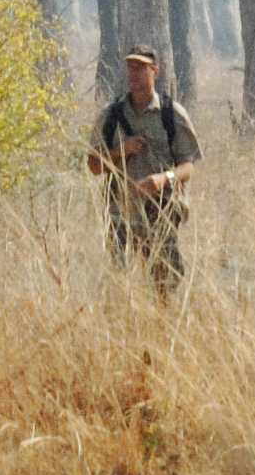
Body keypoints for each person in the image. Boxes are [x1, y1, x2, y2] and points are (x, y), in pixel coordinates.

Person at [84, 46, 201, 293]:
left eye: (141, 68)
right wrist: (119, 152)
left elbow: (188, 165)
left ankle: (162, 320)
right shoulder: (110, 115)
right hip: (121, 210)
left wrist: (164, 178)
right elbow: (93, 165)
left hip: (161, 207)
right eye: (130, 67)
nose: (134, 73)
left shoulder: (172, 114)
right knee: (119, 276)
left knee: (164, 275)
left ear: (155, 72)